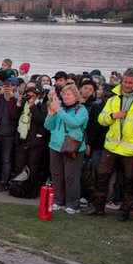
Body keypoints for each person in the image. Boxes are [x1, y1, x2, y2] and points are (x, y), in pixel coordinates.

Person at [84, 69, 133, 221]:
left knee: (129, 180)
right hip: (112, 146)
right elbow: (101, 120)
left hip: (132, 148)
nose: (127, 85)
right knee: (102, 176)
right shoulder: (113, 99)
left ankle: (125, 211)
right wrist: (113, 116)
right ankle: (99, 207)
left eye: (131, 82)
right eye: (125, 82)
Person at [45, 85, 89, 214]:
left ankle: (73, 204)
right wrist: (51, 115)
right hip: (55, 146)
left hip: (72, 146)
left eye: (69, 94)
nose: (66, 97)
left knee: (71, 176)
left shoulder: (81, 110)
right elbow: (48, 126)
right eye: (64, 95)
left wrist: (59, 111)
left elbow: (74, 123)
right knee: (57, 175)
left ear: (76, 96)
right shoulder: (60, 109)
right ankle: (59, 201)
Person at [0, 78, 21, 191]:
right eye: (7, 85)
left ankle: (4, 181)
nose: (9, 87)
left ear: (16, 87)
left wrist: (11, 98)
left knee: (6, 160)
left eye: (12, 85)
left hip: (8, 134)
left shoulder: (17, 99)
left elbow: (14, 115)